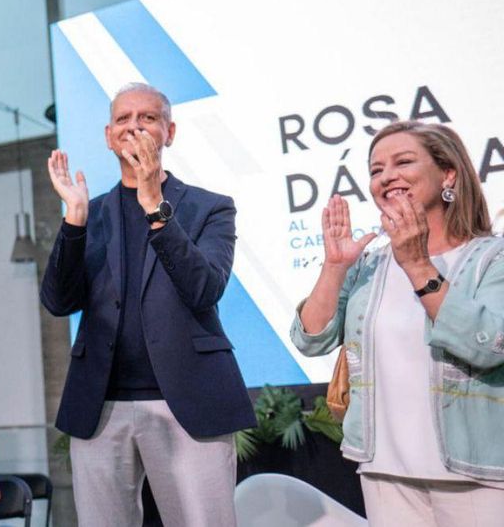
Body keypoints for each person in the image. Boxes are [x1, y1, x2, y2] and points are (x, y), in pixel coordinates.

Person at [41, 83, 255, 526]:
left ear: (169, 132)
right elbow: (59, 302)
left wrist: (156, 206)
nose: (134, 125)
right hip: (99, 406)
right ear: (107, 135)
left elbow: (204, 289)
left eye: (148, 118)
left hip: (188, 401)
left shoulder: (210, 207)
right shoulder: (90, 211)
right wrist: (74, 223)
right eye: (123, 118)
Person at [291, 120, 504, 526]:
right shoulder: (370, 265)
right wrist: (336, 266)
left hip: (476, 473)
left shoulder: (491, 259)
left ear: (448, 173)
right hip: (384, 470)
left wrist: (418, 265)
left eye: (403, 162)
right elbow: (311, 339)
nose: (387, 176)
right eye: (375, 170)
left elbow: (489, 344)